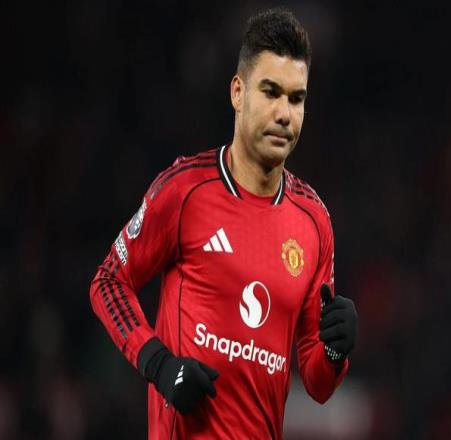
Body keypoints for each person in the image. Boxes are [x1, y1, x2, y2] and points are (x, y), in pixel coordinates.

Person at [90, 7, 358, 439]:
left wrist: (334, 351)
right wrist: (160, 364)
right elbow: (108, 282)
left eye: (296, 98)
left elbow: (317, 384)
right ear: (238, 92)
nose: (284, 114)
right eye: (270, 92)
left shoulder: (313, 222)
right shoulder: (185, 192)